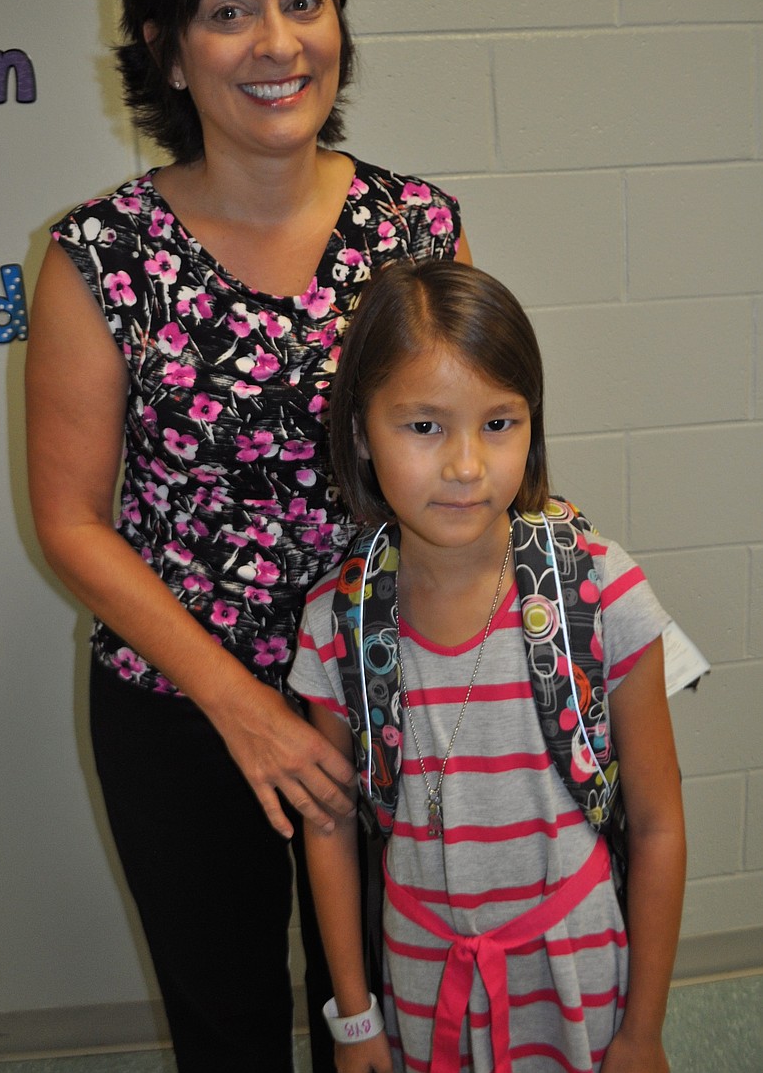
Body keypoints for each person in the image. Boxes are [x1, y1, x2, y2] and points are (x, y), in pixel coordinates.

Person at [25, 0, 470, 1073]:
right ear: (166, 47)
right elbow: (70, 520)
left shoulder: (416, 228)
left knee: (388, 1016)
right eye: (228, 10)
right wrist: (246, 707)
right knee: (226, 1025)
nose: (278, 42)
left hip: (392, 690)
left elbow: (466, 467)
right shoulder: (95, 258)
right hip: (180, 710)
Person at [289, 260, 686, 1073]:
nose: (467, 464)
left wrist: (642, 1031)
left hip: (578, 971)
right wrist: (355, 1019)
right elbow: (327, 825)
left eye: (499, 423)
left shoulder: (601, 591)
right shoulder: (338, 623)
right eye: (424, 426)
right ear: (362, 433)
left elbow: (656, 822)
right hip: (422, 975)